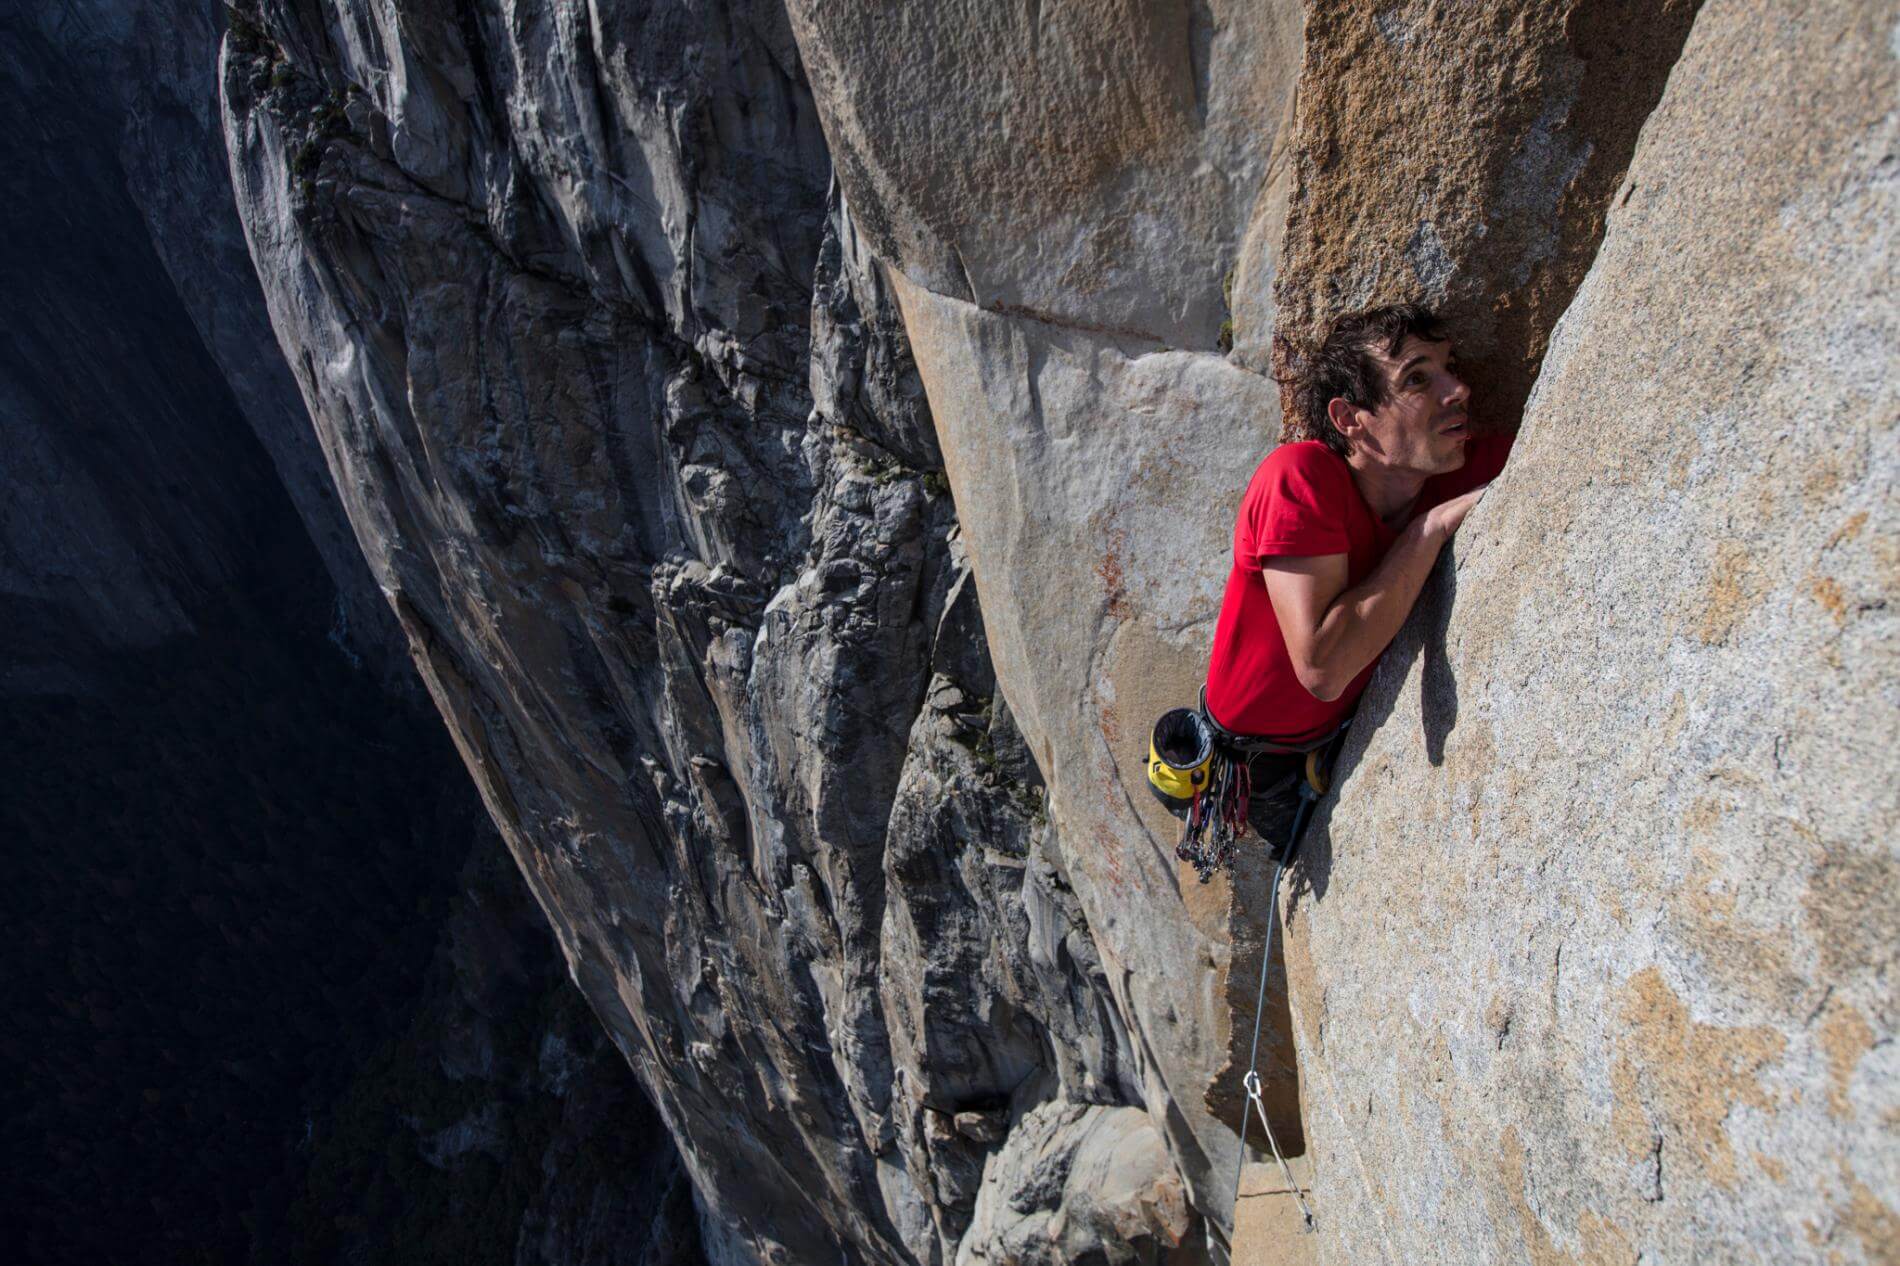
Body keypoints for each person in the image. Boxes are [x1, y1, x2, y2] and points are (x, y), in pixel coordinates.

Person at [1202, 303, 1514, 855]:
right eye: (1417, 378)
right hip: (1259, 766)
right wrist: (1429, 530)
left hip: (1335, 736)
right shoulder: (1298, 480)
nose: (1458, 389)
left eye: (1449, 367)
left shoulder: (1459, 466)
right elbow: (1323, 666)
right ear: (1350, 419)